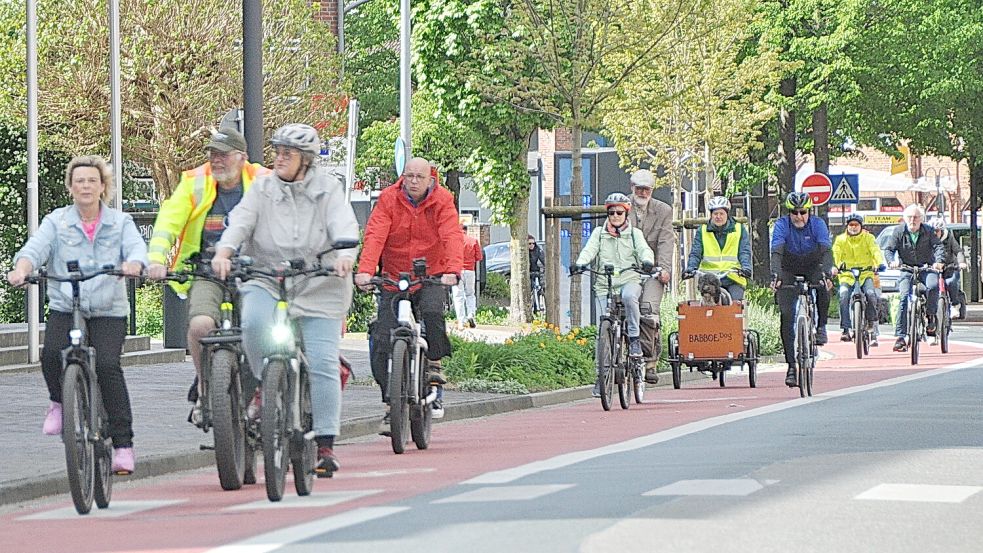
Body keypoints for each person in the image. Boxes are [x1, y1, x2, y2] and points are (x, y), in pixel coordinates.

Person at [211, 123, 359, 476]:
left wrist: (344, 255)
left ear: (305, 160)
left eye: (287, 154)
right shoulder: (262, 187)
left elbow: (344, 224)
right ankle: (266, 384)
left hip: (319, 282)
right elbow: (240, 222)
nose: (278, 158)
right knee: (254, 323)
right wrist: (226, 251)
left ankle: (325, 443)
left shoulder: (328, 189)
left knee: (323, 361)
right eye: (277, 151)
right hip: (268, 277)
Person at [6, 155, 147, 474]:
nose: (85, 186)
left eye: (92, 181)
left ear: (102, 187)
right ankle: (59, 401)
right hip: (66, 305)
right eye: (79, 181)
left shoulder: (119, 222)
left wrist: (134, 264)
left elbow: (136, 248)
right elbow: (34, 249)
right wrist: (22, 269)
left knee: (109, 367)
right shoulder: (56, 221)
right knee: (52, 354)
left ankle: (123, 446)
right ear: (70, 186)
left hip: (108, 309)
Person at [146, 127, 270, 424]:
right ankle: (204, 389)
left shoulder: (263, 181)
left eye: (223, 155)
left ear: (242, 157)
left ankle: (266, 389)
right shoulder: (195, 181)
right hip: (206, 269)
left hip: (254, 271)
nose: (216, 161)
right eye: (213, 154)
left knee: (262, 327)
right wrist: (155, 259)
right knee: (201, 325)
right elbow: (169, 220)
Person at [355, 157, 462, 431]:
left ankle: (435, 371)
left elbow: (451, 234)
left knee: (432, 313)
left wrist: (452, 271)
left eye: (419, 177)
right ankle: (391, 405)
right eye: (409, 176)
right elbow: (376, 234)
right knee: (381, 337)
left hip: (431, 274)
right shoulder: (389, 199)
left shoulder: (442, 200)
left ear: (430, 178)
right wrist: (366, 271)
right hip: (394, 276)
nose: (413, 181)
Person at [574, 192, 655, 397]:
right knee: (603, 331)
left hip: (630, 280)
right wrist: (580, 264)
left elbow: (645, 250)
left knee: (629, 298)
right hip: (605, 284)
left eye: (619, 212)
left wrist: (647, 262)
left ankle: (634, 340)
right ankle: (600, 377)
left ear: (626, 214)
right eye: (611, 212)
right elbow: (589, 251)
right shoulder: (598, 234)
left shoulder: (635, 234)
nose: (615, 216)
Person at [770, 191, 833, 388]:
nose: (798, 216)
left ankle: (821, 326)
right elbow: (776, 252)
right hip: (788, 268)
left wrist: (828, 274)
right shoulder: (781, 225)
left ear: (809, 211)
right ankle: (791, 366)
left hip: (813, 265)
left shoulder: (818, 224)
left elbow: (826, 251)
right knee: (786, 315)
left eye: (802, 212)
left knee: (823, 285)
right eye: (794, 212)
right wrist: (776, 275)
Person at [627, 169, 673, 384]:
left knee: (647, 309)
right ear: (632, 187)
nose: (642, 193)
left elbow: (665, 241)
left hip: (653, 269)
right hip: (626, 269)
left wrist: (664, 269)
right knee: (619, 304)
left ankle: (650, 361)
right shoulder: (621, 207)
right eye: (639, 189)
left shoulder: (663, 211)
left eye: (646, 189)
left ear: (652, 191)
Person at [882, 204, 944, 352]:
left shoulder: (928, 231)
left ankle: (930, 318)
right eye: (910, 217)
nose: (912, 220)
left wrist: (938, 262)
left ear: (921, 219)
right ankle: (901, 337)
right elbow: (889, 249)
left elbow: (938, 247)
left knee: (933, 287)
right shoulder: (898, 231)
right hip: (907, 269)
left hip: (926, 268)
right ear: (905, 218)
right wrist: (892, 261)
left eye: (916, 217)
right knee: (903, 297)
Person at [684, 195, 751, 302]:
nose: (718, 217)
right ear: (711, 215)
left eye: (721, 213)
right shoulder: (703, 231)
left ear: (727, 214)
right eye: (715, 213)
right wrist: (691, 268)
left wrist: (746, 268)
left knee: (735, 306)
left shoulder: (738, 229)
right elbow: (696, 253)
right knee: (708, 306)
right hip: (710, 279)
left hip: (732, 278)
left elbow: (744, 251)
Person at [831, 214, 885, 343]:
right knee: (844, 296)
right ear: (847, 226)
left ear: (861, 226)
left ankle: (871, 323)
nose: (853, 228)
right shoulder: (841, 239)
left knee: (871, 294)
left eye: (856, 225)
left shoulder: (868, 238)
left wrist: (879, 264)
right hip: (847, 275)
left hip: (865, 274)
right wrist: (836, 266)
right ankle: (845, 329)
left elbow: (875, 251)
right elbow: (835, 253)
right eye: (851, 225)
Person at [930, 216, 968, 320]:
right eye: (932, 231)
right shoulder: (928, 239)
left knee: (951, 282)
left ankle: (955, 305)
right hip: (934, 268)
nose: (934, 233)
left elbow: (958, 251)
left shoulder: (949, 238)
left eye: (937, 231)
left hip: (950, 267)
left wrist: (961, 262)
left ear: (941, 231)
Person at [452, 224, 482, 330]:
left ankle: (461, 320)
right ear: (466, 230)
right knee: (470, 294)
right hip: (470, 271)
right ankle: (471, 314)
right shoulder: (473, 241)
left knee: (458, 296)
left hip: (457, 271)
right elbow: (479, 257)